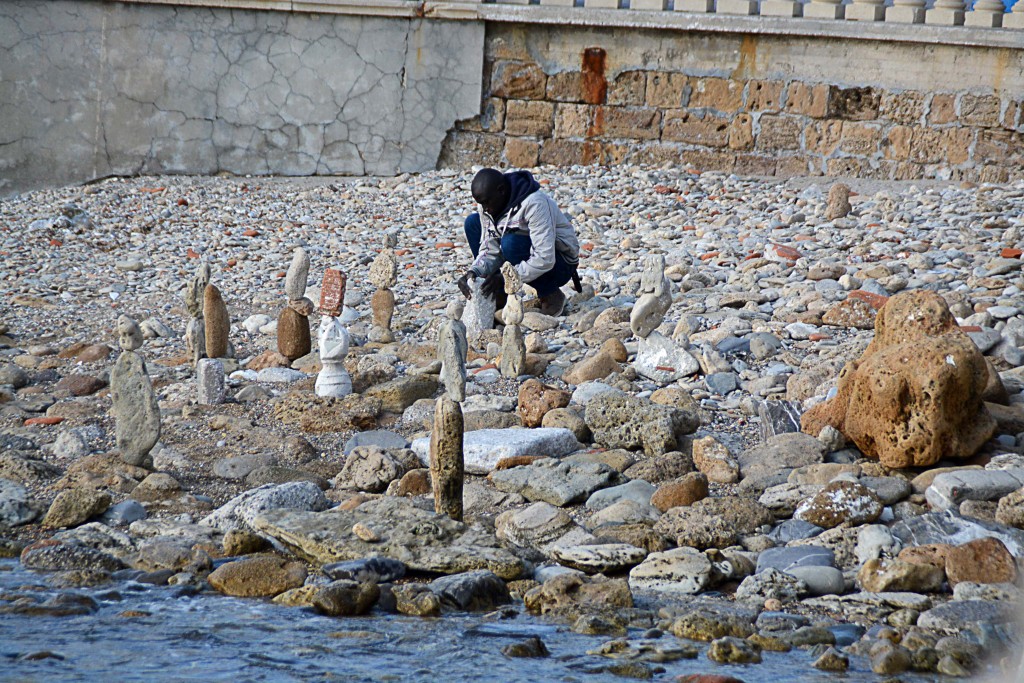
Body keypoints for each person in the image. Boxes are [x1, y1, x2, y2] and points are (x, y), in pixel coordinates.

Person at [456, 168, 581, 317]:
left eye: (486, 202)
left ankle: (550, 293)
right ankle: (495, 291)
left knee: (510, 243)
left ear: (501, 191)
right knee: (472, 223)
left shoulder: (534, 203)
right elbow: (490, 248)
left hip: (561, 264)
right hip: (522, 252)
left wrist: (506, 278)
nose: (485, 209)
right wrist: (474, 272)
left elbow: (545, 258)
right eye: (481, 203)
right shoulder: (488, 202)